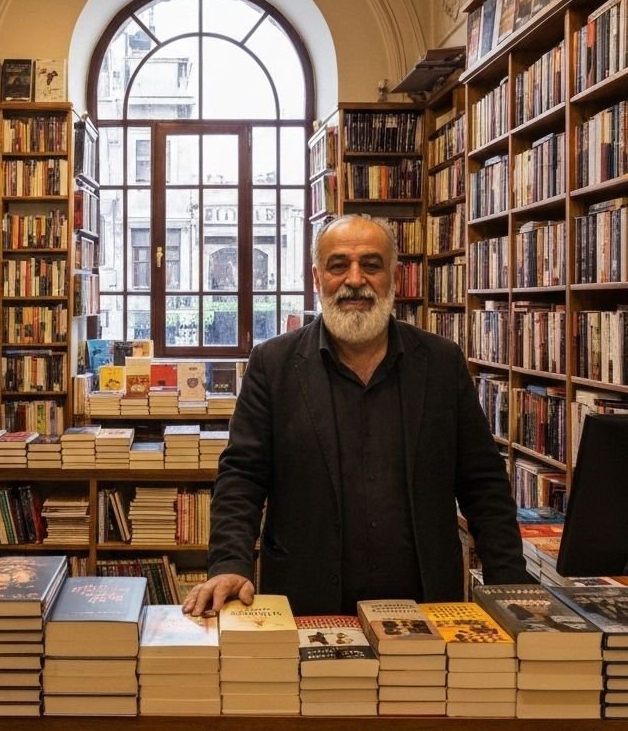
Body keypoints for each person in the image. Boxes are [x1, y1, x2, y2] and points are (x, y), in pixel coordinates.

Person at [182, 213, 529, 618]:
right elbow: (241, 476)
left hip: (427, 607)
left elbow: (483, 482)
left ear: (393, 276)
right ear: (317, 278)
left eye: (370, 264)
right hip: (306, 601)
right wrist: (229, 564)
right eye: (338, 265)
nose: (354, 279)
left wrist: (510, 581)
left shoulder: (441, 363)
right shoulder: (272, 364)